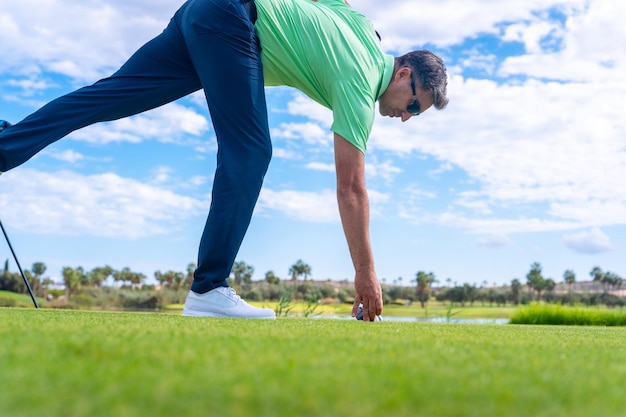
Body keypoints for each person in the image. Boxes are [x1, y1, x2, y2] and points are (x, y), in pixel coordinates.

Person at [0, 0, 448, 321]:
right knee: (251, 151)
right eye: (413, 105)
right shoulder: (361, 80)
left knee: (109, 96)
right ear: (404, 73)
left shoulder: (360, 26)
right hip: (230, 20)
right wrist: (367, 274)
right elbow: (351, 188)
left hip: (201, 12)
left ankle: (6, 146)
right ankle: (209, 288)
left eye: (414, 114)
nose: (405, 117)